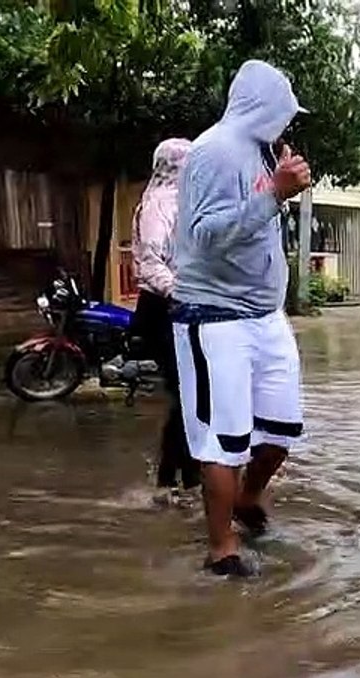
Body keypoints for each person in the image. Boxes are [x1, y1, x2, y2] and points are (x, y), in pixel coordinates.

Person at [172, 59, 312, 576]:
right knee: (224, 439)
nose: (287, 122)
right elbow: (205, 237)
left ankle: (248, 499)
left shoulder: (260, 151)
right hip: (215, 316)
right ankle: (221, 547)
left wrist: (278, 188)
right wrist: (275, 194)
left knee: (281, 430)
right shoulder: (214, 151)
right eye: (284, 112)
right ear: (261, 106)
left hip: (265, 315)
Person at [128, 138, 201, 504]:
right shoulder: (159, 204)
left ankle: (185, 475)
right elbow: (151, 264)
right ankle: (173, 479)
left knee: (193, 393)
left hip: (181, 306)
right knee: (187, 393)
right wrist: (184, 293)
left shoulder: (182, 202)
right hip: (164, 308)